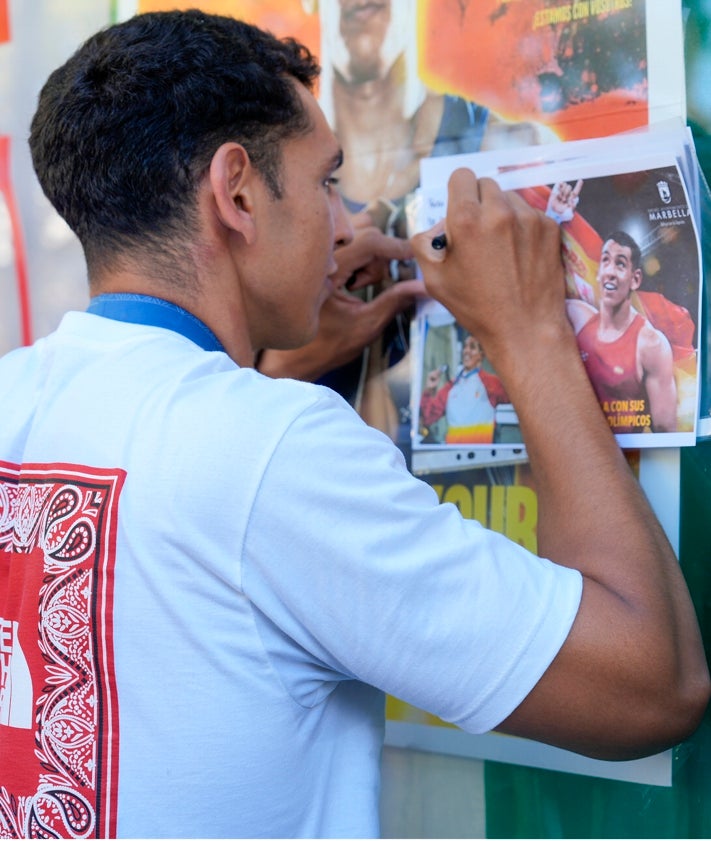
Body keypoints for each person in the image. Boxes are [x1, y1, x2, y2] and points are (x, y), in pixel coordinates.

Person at [0, 10, 707, 839]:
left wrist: (263, 358)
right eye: (326, 181)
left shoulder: (19, 393)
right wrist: (528, 330)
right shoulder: (274, 449)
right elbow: (651, 687)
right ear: (235, 193)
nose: (348, 225)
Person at [260, 0, 559, 448]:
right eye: (325, 182)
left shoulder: (507, 144)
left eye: (331, 182)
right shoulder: (262, 178)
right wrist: (284, 364)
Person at [566, 230, 678, 434]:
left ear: (635, 279)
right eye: (605, 261)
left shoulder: (651, 344)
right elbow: (532, 301)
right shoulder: (576, 316)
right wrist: (553, 214)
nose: (610, 271)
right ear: (598, 272)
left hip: (623, 461)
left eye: (620, 264)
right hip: (575, 455)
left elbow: (666, 431)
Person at [420, 331, 510, 444]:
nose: (466, 350)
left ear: (482, 354)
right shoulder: (451, 386)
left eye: (472, 347)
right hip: (454, 456)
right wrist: (429, 390)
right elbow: (428, 418)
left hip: (482, 457)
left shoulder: (491, 383)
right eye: (465, 347)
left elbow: (517, 398)